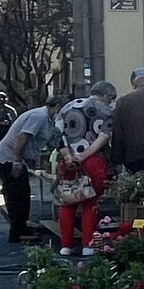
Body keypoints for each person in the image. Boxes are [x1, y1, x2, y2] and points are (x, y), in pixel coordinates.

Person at [0, 96, 67, 243]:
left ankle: (21, 228)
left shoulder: (47, 119)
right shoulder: (39, 116)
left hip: (13, 158)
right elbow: (22, 138)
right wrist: (17, 161)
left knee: (22, 194)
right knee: (18, 195)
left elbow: (51, 139)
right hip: (8, 158)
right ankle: (17, 232)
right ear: (57, 107)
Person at [56, 82, 117, 256]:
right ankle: (88, 245)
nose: (111, 103)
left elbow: (56, 134)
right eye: (111, 99)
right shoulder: (105, 111)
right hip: (94, 161)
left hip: (67, 161)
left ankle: (66, 245)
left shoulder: (67, 107)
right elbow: (105, 136)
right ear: (105, 94)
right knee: (90, 203)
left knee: (67, 202)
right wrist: (85, 155)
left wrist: (68, 155)